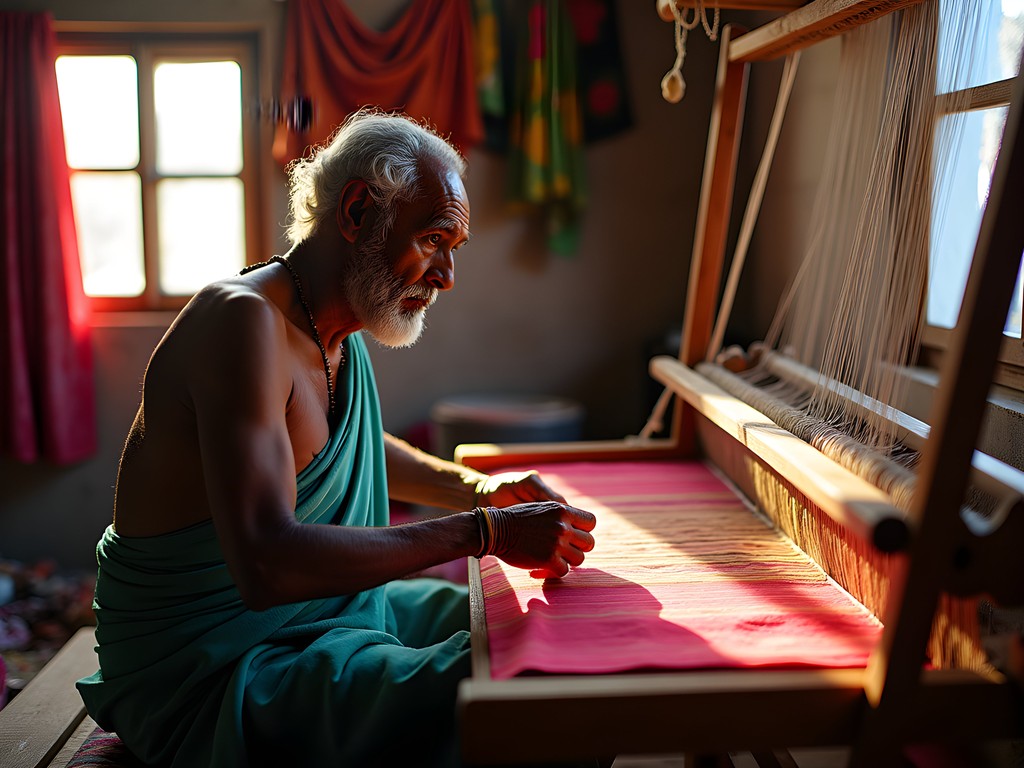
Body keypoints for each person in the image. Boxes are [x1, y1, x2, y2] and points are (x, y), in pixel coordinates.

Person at [77, 109, 597, 768]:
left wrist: (477, 487)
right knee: (538, 691)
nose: (446, 276)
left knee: (522, 623)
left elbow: (339, 443)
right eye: (434, 239)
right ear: (357, 210)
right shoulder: (242, 324)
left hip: (310, 624)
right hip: (214, 672)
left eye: (453, 249)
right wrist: (484, 530)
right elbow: (268, 564)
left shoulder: (336, 326)